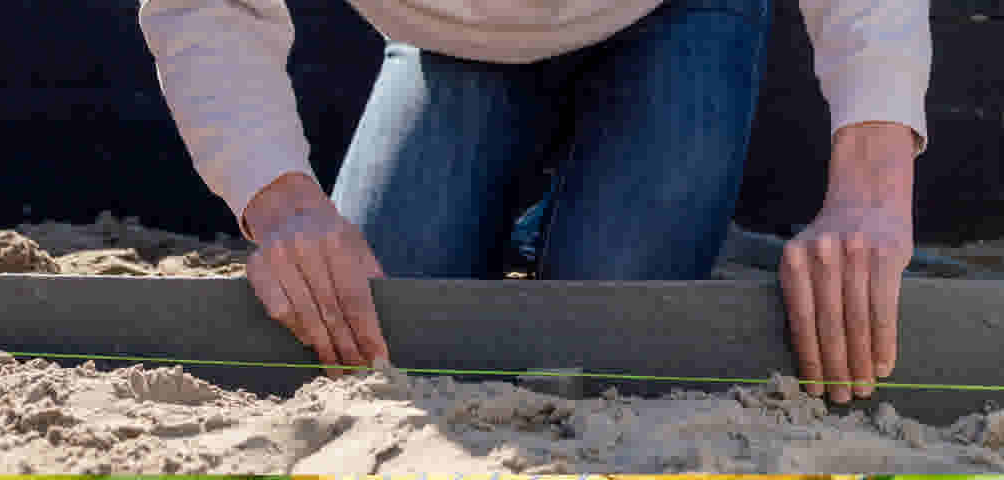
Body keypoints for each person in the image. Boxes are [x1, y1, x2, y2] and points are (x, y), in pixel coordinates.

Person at [139, 0, 929, 405]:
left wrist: (871, 187)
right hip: (454, 37)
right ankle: (580, 197)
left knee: (608, 310)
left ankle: (644, 194)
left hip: (677, 11)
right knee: (381, 316)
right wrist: (285, 208)